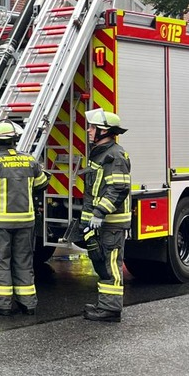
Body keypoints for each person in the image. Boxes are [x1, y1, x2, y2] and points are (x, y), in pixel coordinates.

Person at [0, 121, 49, 315]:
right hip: (26, 222)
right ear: (14, 141)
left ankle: (1, 304)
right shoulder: (29, 160)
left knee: (0, 262)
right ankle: (28, 303)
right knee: (23, 261)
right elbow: (42, 184)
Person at [81, 109, 131, 322]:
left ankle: (110, 309)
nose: (89, 130)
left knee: (111, 265)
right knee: (102, 263)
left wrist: (100, 212)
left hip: (112, 223)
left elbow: (118, 189)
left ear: (105, 131)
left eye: (93, 127)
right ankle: (105, 304)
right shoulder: (101, 153)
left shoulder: (115, 156)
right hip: (103, 223)